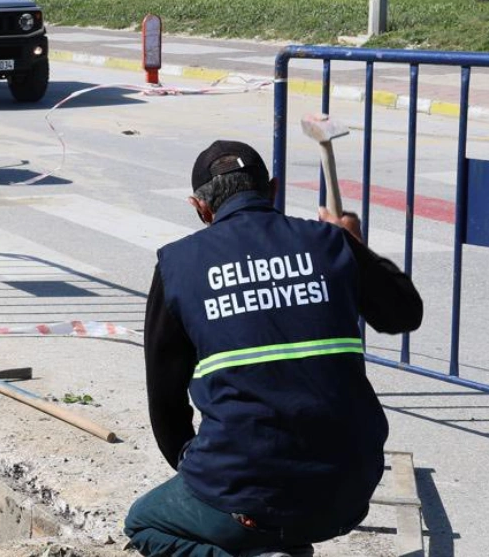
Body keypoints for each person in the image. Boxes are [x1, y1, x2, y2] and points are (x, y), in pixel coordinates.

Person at [126, 141, 424, 557]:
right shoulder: (329, 243)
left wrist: (204, 476)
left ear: (200, 208)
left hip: (248, 498)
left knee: (144, 523)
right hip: (349, 493)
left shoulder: (178, 264)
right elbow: (404, 315)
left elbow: (165, 399)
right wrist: (357, 246)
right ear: (274, 190)